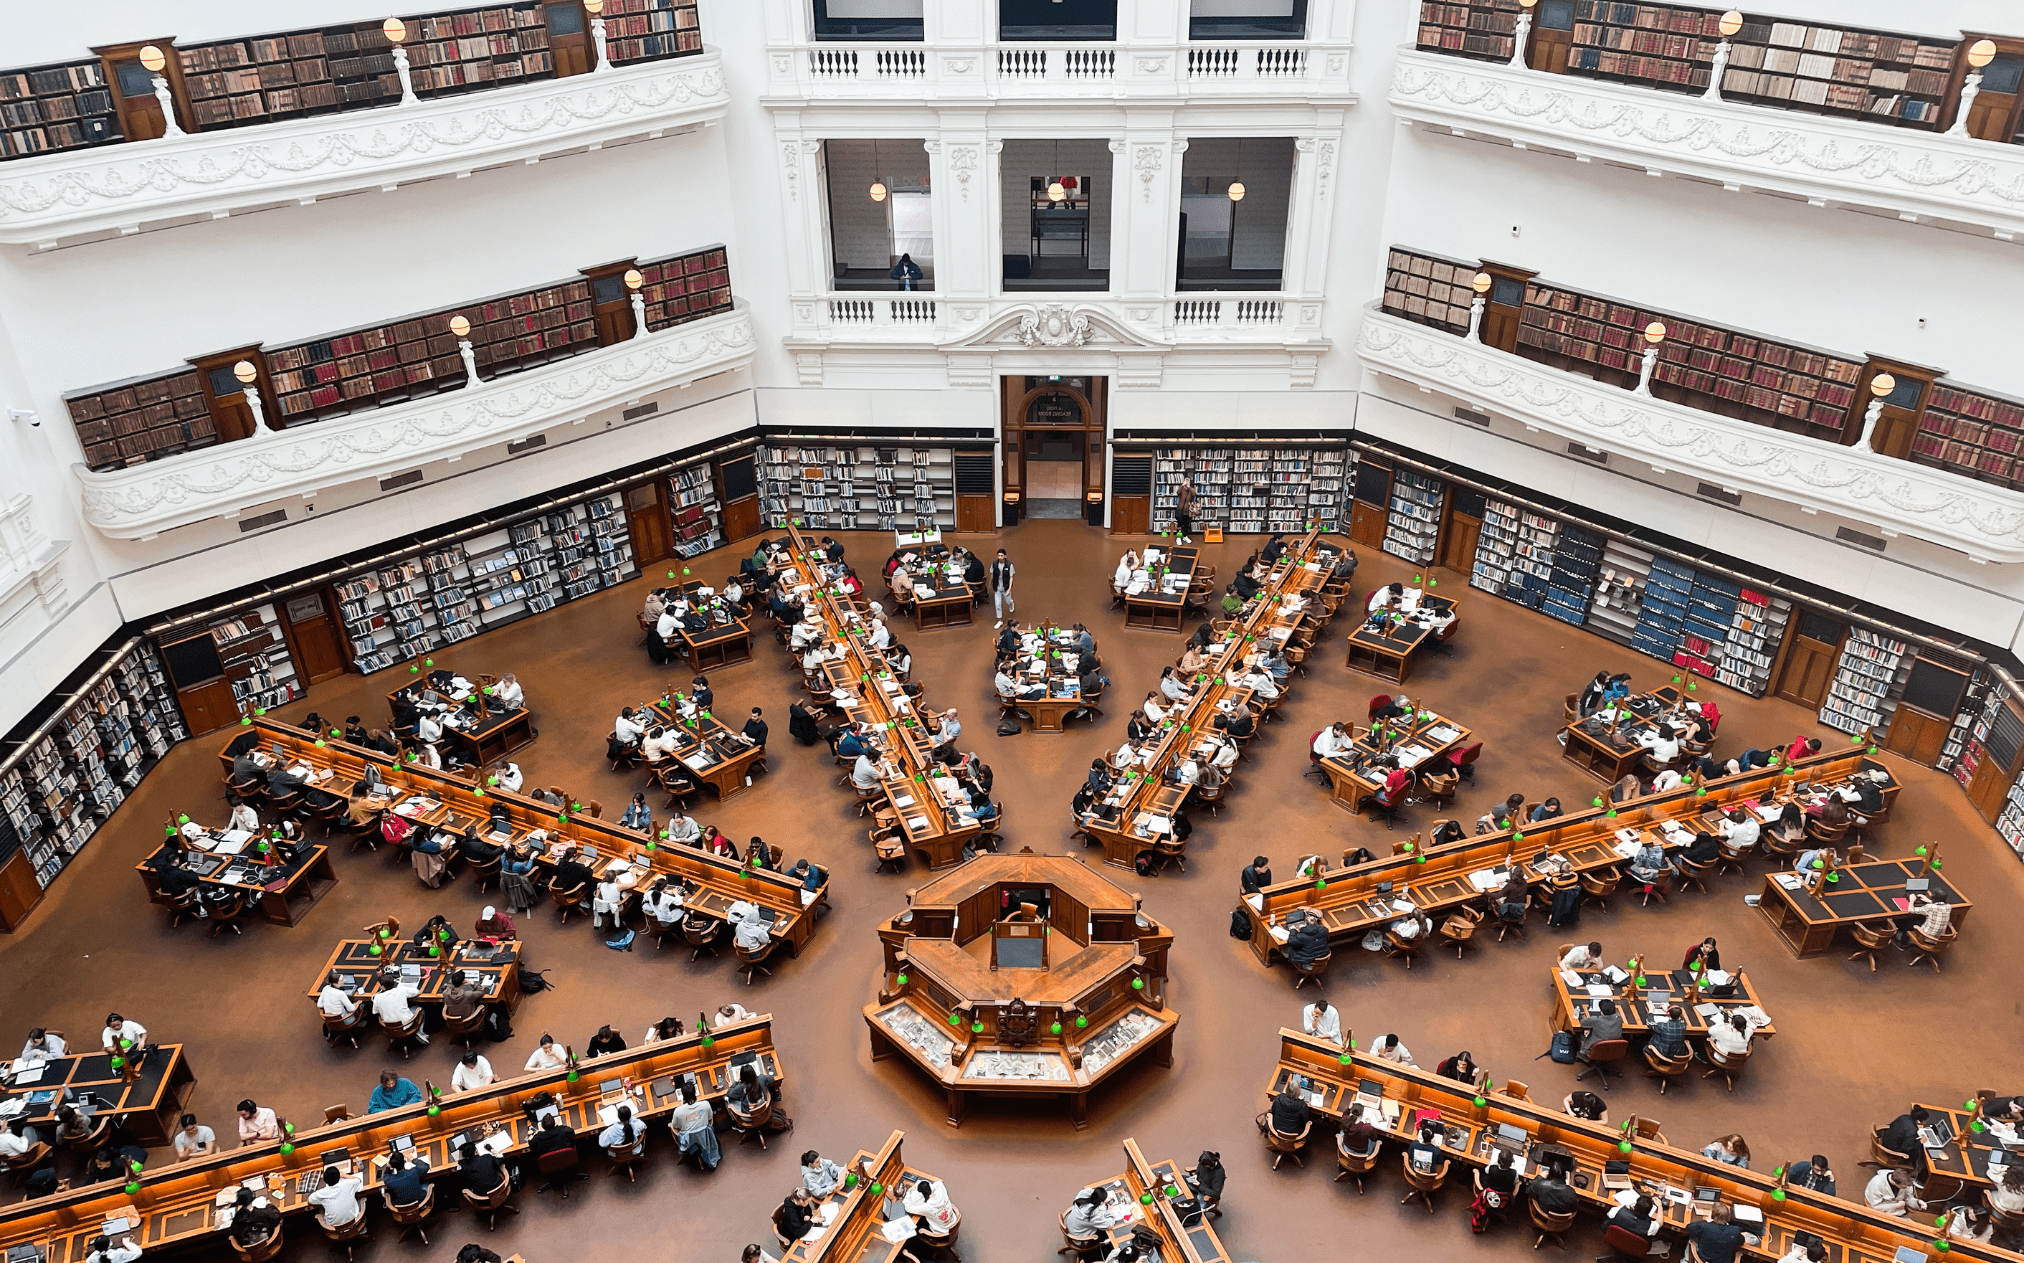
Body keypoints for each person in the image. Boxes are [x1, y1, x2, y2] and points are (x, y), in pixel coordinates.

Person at [1686, 1203, 1757, 1263]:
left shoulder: (1704, 1226)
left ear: (1712, 1215)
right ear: (1728, 1218)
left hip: (1704, 1259)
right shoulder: (1734, 1231)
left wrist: (1706, 1221)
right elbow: (1741, 1241)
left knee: (1693, 1238)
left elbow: (1689, 1228)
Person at [672, 1082, 720, 1170]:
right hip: (705, 1138)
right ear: (695, 1092)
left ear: (683, 1095)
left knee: (671, 1125)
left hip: (689, 1142)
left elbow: (675, 1127)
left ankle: (695, 1150)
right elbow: (710, 1120)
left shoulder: (678, 1111)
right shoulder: (705, 1104)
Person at [372, 974, 429, 1043]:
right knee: (420, 1008)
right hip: (407, 1024)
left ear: (383, 987)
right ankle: (420, 1033)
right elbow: (418, 992)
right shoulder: (401, 990)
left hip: (389, 1028)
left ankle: (396, 1035)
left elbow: (375, 1012)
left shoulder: (377, 998)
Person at [988, 549, 1016, 628]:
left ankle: (1011, 603)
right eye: (999, 555)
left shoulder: (1009, 565)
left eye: (1001, 555)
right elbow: (992, 575)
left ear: (1005, 556)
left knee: (1008, 601)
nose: (1000, 557)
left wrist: (1009, 589)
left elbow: (1011, 577)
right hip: (997, 588)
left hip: (1006, 587)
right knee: (998, 605)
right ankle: (1000, 620)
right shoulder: (994, 564)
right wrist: (990, 584)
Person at [1174, 478, 1199, 544]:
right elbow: (1178, 492)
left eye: (1188, 481)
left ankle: (1185, 536)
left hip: (1188, 510)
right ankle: (1178, 537)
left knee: (1187, 524)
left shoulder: (1191, 489)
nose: (1187, 482)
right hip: (1180, 509)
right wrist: (1182, 485)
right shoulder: (1181, 488)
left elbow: (1194, 493)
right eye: (1186, 481)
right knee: (1180, 524)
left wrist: (1189, 487)